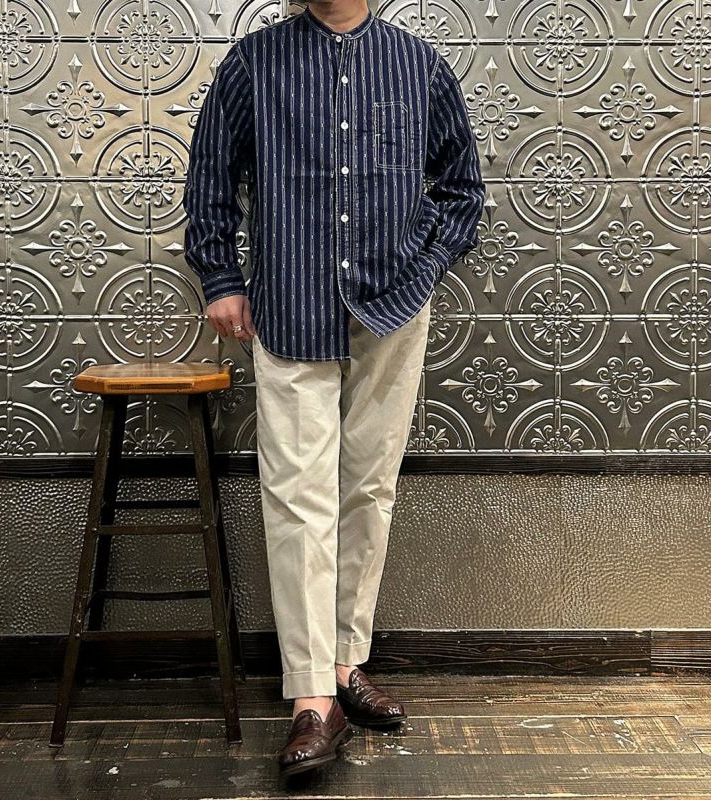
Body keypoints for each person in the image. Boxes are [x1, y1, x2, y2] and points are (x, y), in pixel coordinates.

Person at [182, 0, 485, 778]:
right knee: (297, 494)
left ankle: (347, 663)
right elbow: (210, 176)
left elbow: (462, 189)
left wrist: (424, 271)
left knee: (369, 486)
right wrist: (220, 277)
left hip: (393, 307)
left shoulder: (418, 65)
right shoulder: (253, 64)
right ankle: (311, 697)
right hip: (290, 303)